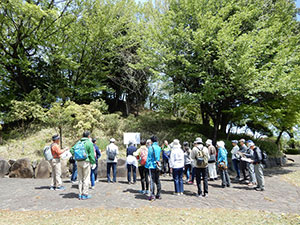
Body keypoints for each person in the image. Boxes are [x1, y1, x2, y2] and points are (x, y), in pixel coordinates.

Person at [70, 131, 96, 200]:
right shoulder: (89, 143)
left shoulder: (78, 142)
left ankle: (80, 193)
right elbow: (91, 154)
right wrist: (93, 162)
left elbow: (72, 150)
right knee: (86, 178)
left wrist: (75, 156)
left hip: (78, 162)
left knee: (80, 178)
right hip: (86, 162)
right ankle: (85, 194)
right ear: (88, 136)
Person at [145, 136, 162, 201]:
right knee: (157, 180)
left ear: (151, 141)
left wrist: (146, 166)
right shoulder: (159, 147)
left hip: (151, 166)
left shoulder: (150, 148)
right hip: (157, 166)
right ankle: (158, 194)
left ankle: (152, 195)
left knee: (152, 180)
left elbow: (149, 158)